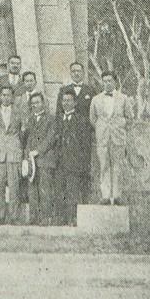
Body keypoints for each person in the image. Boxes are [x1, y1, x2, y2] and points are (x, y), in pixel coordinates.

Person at [90, 71, 135, 205]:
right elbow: (93, 119)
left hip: (118, 138)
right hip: (103, 138)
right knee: (104, 166)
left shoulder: (123, 98)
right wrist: (101, 128)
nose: (107, 83)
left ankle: (116, 196)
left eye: (110, 80)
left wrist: (119, 127)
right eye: (104, 81)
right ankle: (105, 196)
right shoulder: (96, 99)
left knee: (117, 167)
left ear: (115, 82)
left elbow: (130, 119)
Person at [54, 90, 93, 223]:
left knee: (72, 191)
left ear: (75, 103)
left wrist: (82, 163)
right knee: (60, 190)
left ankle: (72, 218)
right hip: (59, 162)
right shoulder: (57, 119)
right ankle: (61, 218)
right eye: (64, 100)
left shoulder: (81, 120)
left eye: (69, 100)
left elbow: (85, 144)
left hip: (74, 162)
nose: (66, 103)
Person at [0, 85, 24, 224]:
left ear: (13, 97)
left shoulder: (19, 112)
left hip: (14, 153)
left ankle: (14, 217)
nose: (6, 97)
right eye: (3, 95)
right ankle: (0, 216)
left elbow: (22, 133)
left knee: (14, 187)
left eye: (8, 95)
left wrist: (18, 148)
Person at [24, 92, 57, 226]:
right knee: (32, 189)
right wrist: (27, 154)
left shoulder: (51, 119)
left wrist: (38, 151)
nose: (35, 106)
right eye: (32, 104)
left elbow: (50, 139)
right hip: (31, 160)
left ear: (43, 103)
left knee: (45, 189)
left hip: (45, 159)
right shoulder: (30, 119)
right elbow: (27, 139)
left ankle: (46, 217)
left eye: (37, 102)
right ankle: (34, 217)